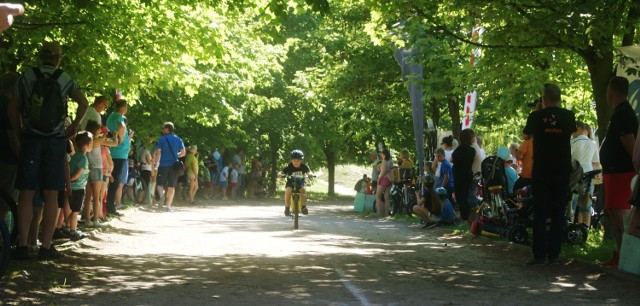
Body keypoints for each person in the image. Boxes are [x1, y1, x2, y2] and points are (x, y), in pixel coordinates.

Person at [10, 41, 89, 260]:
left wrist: (19, 131)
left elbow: (12, 107)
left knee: (26, 193)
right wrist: (73, 126)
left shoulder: (26, 77)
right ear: (58, 58)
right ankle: (46, 247)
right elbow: (83, 102)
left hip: (31, 140)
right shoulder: (64, 78)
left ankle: (23, 245)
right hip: (55, 141)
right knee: (51, 194)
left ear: (40, 56)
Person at [523, 83, 576, 266]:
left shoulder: (536, 116)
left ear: (543, 98)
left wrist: (539, 112)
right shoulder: (568, 116)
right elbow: (570, 131)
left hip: (542, 169)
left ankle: (538, 254)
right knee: (558, 210)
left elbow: (526, 136)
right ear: (559, 98)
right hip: (561, 169)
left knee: (540, 210)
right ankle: (554, 254)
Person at [599, 76, 638, 268]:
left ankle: (624, 257)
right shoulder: (620, 112)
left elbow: (630, 143)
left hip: (621, 173)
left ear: (611, 90)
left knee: (620, 215)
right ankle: (620, 254)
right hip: (615, 172)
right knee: (615, 213)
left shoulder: (623, 113)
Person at [82, 120, 116, 227]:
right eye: (99, 129)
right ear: (96, 130)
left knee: (88, 196)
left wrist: (103, 136)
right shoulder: (98, 140)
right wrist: (114, 135)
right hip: (97, 169)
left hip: (87, 168)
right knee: (96, 197)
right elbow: (114, 143)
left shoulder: (85, 140)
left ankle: (87, 220)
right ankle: (96, 220)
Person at [570, 121, 600, 225]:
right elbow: (596, 162)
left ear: (577, 128)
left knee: (573, 204)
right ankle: (585, 229)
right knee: (586, 204)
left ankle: (574, 230)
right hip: (589, 176)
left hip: (574, 176)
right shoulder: (593, 144)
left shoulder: (572, 142)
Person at [153, 122, 186, 212]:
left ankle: (162, 196)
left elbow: (158, 152)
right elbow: (183, 153)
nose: (162, 130)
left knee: (159, 184)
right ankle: (168, 207)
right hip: (174, 166)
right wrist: (176, 155)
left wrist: (155, 164)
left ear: (167, 129)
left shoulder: (162, 139)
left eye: (163, 128)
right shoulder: (178, 139)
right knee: (172, 186)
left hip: (163, 165)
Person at [105, 99, 130, 217]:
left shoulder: (111, 116)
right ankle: (110, 207)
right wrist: (120, 139)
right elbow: (121, 126)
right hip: (118, 154)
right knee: (115, 180)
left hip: (115, 152)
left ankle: (109, 205)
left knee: (112, 179)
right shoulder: (119, 117)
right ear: (124, 107)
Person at [67, 131, 93, 240]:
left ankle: (68, 227)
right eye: (91, 143)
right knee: (76, 211)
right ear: (87, 144)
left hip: (72, 187)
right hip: (78, 188)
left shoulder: (75, 155)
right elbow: (77, 174)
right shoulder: (83, 158)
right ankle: (73, 231)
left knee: (73, 210)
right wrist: (69, 180)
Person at [452, 129, 477, 224]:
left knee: (460, 198)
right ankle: (469, 219)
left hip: (459, 176)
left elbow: (453, 159)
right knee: (466, 197)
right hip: (468, 175)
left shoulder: (458, 150)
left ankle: (465, 219)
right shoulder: (472, 150)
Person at [280, 149, 313, 216]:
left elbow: (309, 171)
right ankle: (287, 208)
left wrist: (310, 174)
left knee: (303, 190)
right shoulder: (289, 166)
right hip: (291, 183)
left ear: (301, 161)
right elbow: (282, 171)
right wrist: (280, 174)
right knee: (288, 191)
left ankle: (303, 207)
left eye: (298, 160)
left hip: (300, 182)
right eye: (294, 160)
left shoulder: (304, 166)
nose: (296, 162)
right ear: (291, 160)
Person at [375, 149, 393, 217]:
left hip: (384, 179)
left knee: (378, 196)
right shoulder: (390, 161)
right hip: (389, 180)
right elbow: (390, 170)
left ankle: (379, 212)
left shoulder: (384, 161)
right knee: (386, 197)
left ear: (384, 154)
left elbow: (383, 172)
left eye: (381, 154)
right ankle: (386, 213)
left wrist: (379, 179)